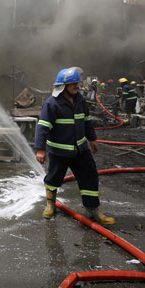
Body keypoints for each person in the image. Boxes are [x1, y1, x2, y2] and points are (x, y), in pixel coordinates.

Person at [34, 67, 115, 225]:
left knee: (90, 176)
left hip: (80, 149)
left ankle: (92, 210)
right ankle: (51, 205)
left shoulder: (80, 100)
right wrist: (40, 149)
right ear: (63, 86)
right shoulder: (52, 103)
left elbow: (86, 120)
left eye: (77, 84)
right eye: (73, 85)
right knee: (53, 178)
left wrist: (92, 139)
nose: (77, 87)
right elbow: (43, 127)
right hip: (59, 150)